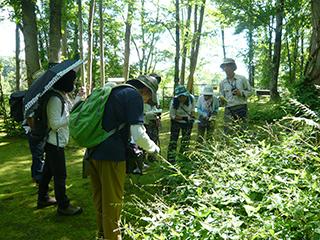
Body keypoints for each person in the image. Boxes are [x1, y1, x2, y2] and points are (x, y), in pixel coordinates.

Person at [88, 75, 160, 240]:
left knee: (99, 197)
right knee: (113, 201)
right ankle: (113, 237)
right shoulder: (133, 96)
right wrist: (153, 149)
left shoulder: (113, 91)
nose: (148, 101)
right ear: (146, 91)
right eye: (149, 97)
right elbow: (138, 133)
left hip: (92, 151)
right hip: (112, 156)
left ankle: (102, 234)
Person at [37, 70, 83, 216]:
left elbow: (68, 111)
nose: (74, 84)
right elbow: (55, 123)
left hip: (56, 142)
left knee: (47, 173)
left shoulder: (61, 96)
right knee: (60, 175)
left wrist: (78, 98)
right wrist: (70, 119)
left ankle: (42, 198)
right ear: (65, 82)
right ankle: (63, 205)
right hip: (54, 143)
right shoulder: (55, 99)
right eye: (73, 81)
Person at [219, 58, 253, 134]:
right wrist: (221, 100)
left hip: (241, 107)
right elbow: (222, 97)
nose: (226, 68)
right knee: (227, 130)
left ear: (233, 67)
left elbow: (251, 91)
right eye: (224, 66)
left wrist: (241, 93)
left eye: (228, 66)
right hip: (228, 109)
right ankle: (228, 145)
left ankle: (244, 145)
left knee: (243, 130)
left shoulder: (242, 79)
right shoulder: (222, 83)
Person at [24, 69, 46, 184]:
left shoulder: (35, 93)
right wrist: (34, 131)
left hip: (34, 129)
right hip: (33, 130)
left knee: (38, 154)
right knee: (38, 154)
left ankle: (36, 175)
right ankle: (38, 177)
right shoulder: (33, 94)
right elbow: (29, 116)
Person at [167, 85, 195, 163]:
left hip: (187, 123)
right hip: (176, 122)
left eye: (183, 96)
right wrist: (183, 118)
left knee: (185, 140)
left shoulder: (191, 99)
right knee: (173, 141)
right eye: (179, 97)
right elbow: (172, 116)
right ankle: (171, 159)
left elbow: (192, 110)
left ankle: (183, 157)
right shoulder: (173, 102)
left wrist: (192, 117)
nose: (181, 98)